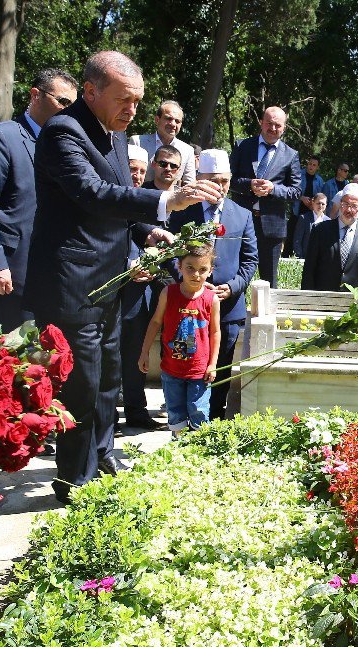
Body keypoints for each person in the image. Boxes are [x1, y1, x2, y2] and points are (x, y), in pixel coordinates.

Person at [23, 50, 221, 504]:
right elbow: (91, 194)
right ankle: (73, 478)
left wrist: (148, 231)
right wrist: (164, 204)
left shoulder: (113, 133)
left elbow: (118, 204)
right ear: (90, 91)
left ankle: (101, 452)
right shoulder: (62, 132)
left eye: (137, 102)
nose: (132, 112)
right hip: (73, 283)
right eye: (124, 100)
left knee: (109, 375)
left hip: (111, 280)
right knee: (82, 382)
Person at [0, 67, 78, 333]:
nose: (68, 110)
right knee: (16, 358)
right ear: (35, 95)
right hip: (12, 272)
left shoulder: (65, 146)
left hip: (54, 272)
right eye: (62, 101)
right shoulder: (1, 136)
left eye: (73, 105)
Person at [167, 148, 258, 420]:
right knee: (184, 367)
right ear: (200, 178)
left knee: (220, 369)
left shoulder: (242, 215)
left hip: (227, 308)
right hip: (187, 307)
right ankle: (183, 421)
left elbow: (250, 260)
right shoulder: (184, 212)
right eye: (213, 180)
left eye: (225, 181)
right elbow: (169, 253)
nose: (220, 187)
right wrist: (188, 283)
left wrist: (232, 286)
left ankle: (215, 421)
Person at [138, 242, 220, 435]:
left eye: (202, 270)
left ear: (210, 271)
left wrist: (212, 363)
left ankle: (198, 447)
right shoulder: (169, 293)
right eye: (190, 268)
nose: (196, 275)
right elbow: (156, 322)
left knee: (198, 409)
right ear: (179, 266)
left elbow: (215, 332)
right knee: (175, 411)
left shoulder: (211, 299)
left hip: (199, 371)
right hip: (171, 368)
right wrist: (144, 352)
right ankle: (179, 447)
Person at [117, 142, 163, 432]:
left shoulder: (146, 201)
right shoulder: (112, 198)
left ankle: (136, 410)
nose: (136, 175)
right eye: (131, 169)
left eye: (141, 171)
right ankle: (107, 416)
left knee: (136, 350)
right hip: (110, 290)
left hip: (138, 293)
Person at [228, 106, 301, 288]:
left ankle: (267, 315)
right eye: (269, 123)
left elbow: (296, 191)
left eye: (278, 125)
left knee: (269, 281)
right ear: (261, 122)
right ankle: (233, 315)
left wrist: (273, 189)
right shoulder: (242, 146)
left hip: (272, 227)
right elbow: (229, 179)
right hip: (241, 222)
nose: (273, 129)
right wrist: (249, 185)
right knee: (234, 273)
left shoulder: (291, 155)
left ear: (284, 127)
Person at [301, 182, 358, 292]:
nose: (349, 210)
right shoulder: (320, 230)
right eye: (346, 204)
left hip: (352, 304)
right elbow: (309, 268)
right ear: (340, 203)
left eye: (354, 206)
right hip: (322, 298)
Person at [129, 99, 196, 186]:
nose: (173, 124)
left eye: (177, 121)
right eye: (169, 118)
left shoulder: (187, 150)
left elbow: (189, 184)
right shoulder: (138, 142)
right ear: (157, 120)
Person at [286, 153, 324, 255]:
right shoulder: (298, 175)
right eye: (310, 164)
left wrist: (313, 203)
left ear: (317, 167)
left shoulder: (319, 181)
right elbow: (290, 191)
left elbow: (320, 197)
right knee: (291, 237)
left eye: (314, 165)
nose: (311, 166)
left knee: (306, 238)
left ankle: (302, 258)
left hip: (310, 213)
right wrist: (301, 198)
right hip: (296, 211)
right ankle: (286, 258)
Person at [293, 192, 329, 259]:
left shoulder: (328, 221)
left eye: (323, 204)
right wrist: (299, 258)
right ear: (313, 202)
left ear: (326, 205)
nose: (320, 206)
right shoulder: (304, 218)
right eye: (318, 203)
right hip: (305, 258)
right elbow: (297, 241)